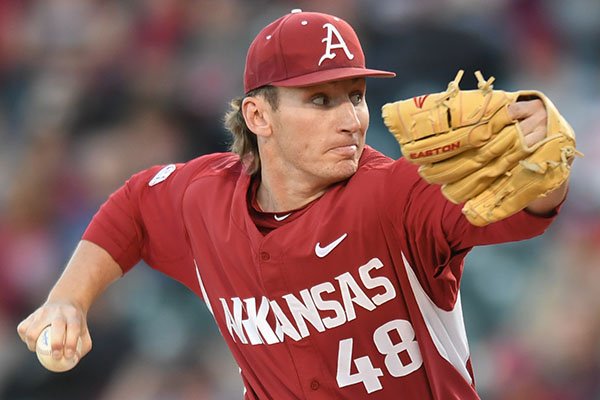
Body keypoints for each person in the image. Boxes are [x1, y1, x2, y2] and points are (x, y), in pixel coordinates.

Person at [17, 9, 571, 399]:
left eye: (355, 95)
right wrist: (69, 298)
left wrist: (545, 144)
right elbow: (132, 208)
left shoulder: (396, 194)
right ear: (259, 117)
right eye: (321, 100)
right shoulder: (203, 199)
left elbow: (530, 206)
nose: (353, 118)